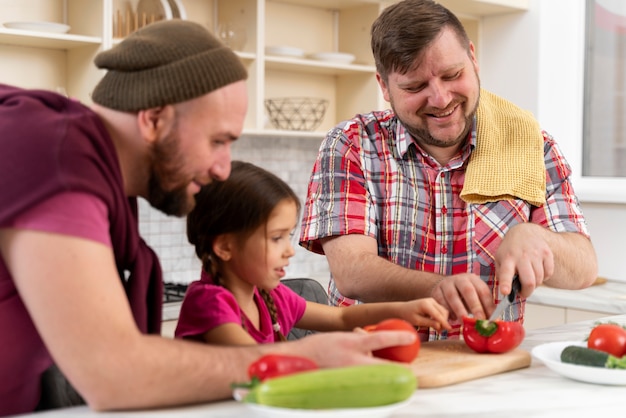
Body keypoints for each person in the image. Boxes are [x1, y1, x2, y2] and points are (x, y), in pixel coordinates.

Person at [0, 20, 420, 417]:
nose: (223, 168)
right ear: (154, 118)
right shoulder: (57, 159)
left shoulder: (83, 166)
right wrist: (301, 357)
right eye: (218, 141)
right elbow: (115, 373)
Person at [299, 0, 598, 341]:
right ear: (384, 86)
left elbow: (584, 269)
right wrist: (439, 288)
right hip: (372, 360)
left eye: (453, 75)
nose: (440, 99)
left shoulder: (532, 145)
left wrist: (538, 238)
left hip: (485, 362)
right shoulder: (352, 144)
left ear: (473, 58)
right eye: (414, 87)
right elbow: (352, 272)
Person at [176, 161, 451, 345]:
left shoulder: (268, 296)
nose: (289, 251)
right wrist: (339, 348)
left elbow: (341, 318)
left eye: (288, 236)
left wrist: (406, 310)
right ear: (225, 247)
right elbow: (255, 359)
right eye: (275, 238)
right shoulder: (209, 302)